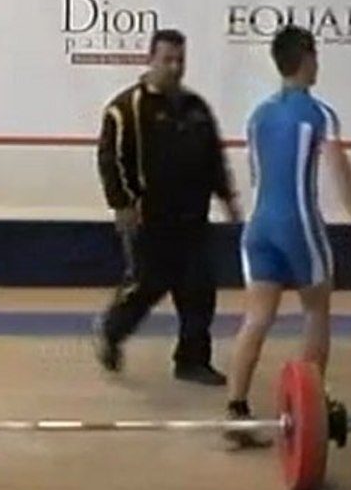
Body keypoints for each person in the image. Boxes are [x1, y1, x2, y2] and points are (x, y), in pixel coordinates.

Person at [223, 25, 351, 447]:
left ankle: (235, 411)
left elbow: (260, 175)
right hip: (298, 226)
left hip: (258, 229)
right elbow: (341, 172)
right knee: (316, 310)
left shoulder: (257, 115)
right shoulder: (318, 113)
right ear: (307, 59)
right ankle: (308, 409)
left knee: (256, 318)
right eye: (316, 56)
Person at [93, 29, 242, 385]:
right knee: (147, 286)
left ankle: (192, 361)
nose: (175, 67)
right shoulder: (125, 109)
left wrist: (227, 196)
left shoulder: (196, 108)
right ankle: (112, 333)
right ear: (151, 59)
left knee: (199, 290)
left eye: (180, 60)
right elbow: (109, 161)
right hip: (149, 219)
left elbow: (213, 157)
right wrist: (123, 205)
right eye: (167, 60)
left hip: (192, 217)